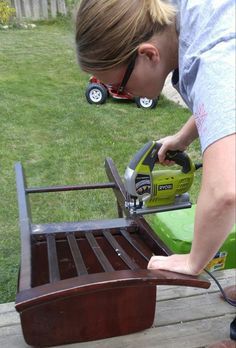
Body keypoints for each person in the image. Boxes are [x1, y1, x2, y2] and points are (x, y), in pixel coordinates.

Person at [75, 0, 235, 277]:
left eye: (119, 85)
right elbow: (226, 101)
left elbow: (225, 193)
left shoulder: (210, 57)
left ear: (149, 55)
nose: (119, 92)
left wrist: (193, 261)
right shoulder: (187, 15)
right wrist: (184, 137)